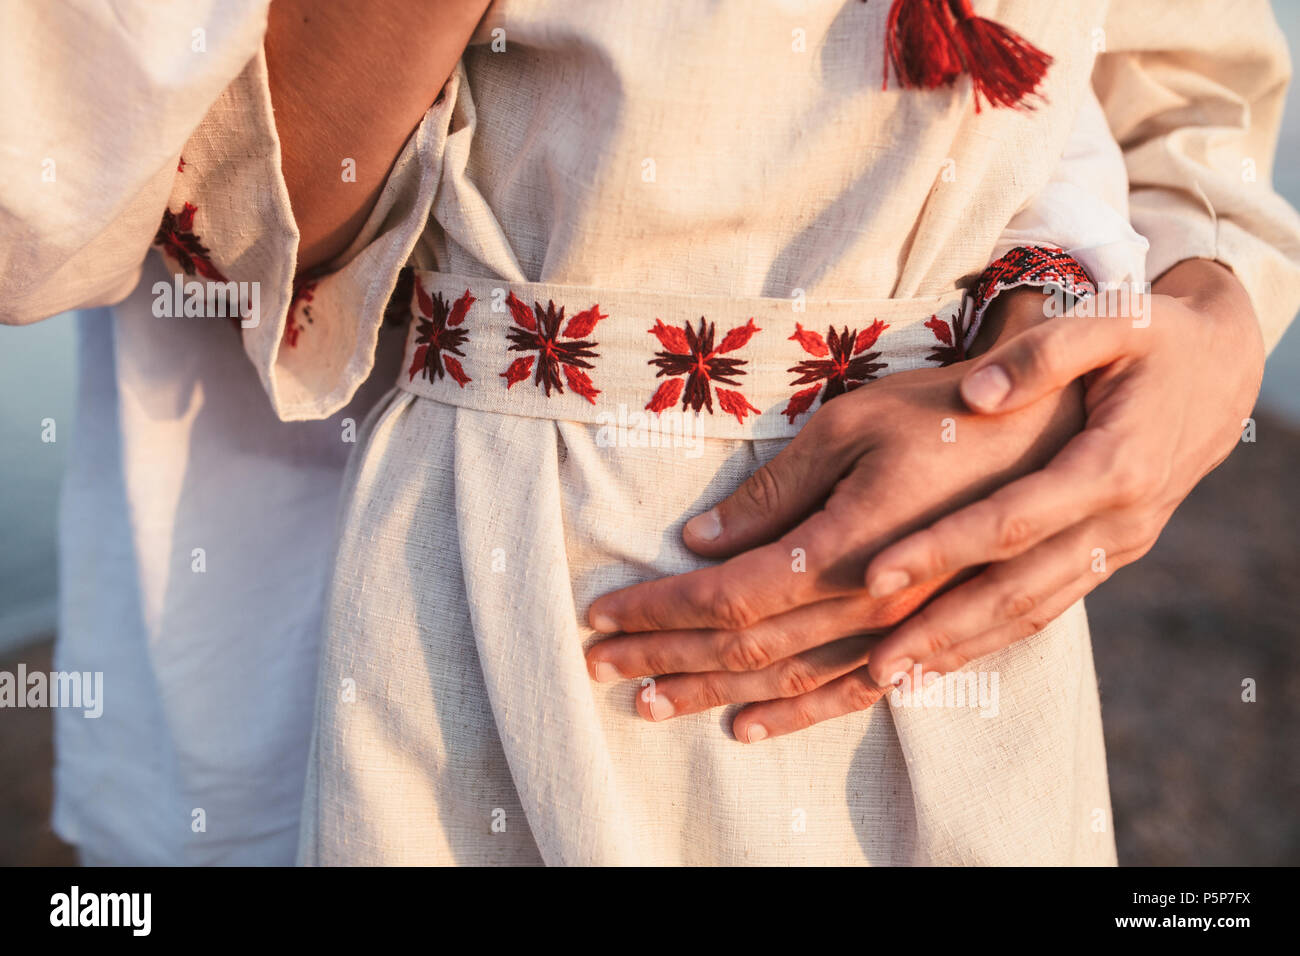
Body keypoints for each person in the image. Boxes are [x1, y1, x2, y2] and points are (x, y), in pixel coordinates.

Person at [1, 0, 1297, 866]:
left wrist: (1190, 336)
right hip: (406, 601)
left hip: (943, 627)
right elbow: (73, 180)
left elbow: (1163, 81)